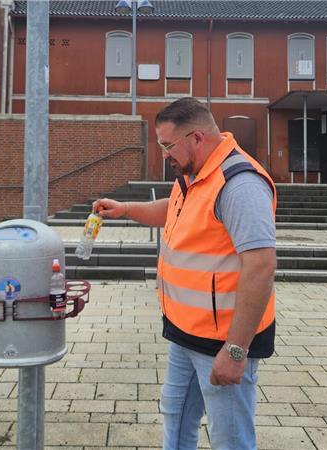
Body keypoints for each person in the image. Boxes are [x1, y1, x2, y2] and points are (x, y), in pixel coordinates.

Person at [93, 97, 277, 450]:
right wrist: (126, 209)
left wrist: (236, 351)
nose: (164, 154)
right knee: (176, 416)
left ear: (196, 138)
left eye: (167, 145)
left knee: (230, 439)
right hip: (185, 331)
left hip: (222, 340)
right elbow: (174, 209)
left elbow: (261, 265)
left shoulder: (239, 184)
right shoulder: (193, 175)